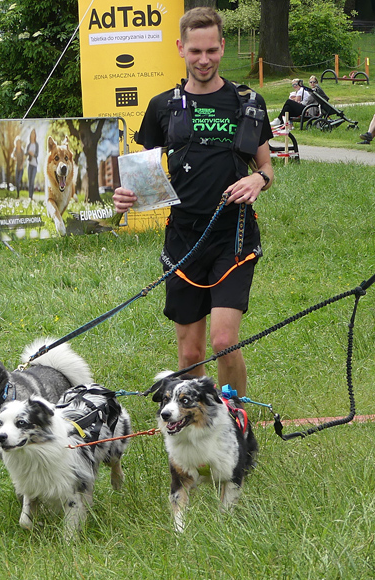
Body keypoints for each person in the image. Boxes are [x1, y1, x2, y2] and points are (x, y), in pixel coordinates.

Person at [112, 7, 273, 397]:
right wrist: (125, 196)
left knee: (224, 341)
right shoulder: (162, 106)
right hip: (183, 240)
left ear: (222, 47)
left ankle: (235, 417)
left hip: (233, 239)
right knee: (190, 354)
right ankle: (192, 422)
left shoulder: (247, 103)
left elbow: (266, 167)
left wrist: (258, 178)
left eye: (212, 50)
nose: (204, 60)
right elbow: (141, 174)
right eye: (196, 51)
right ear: (181, 48)